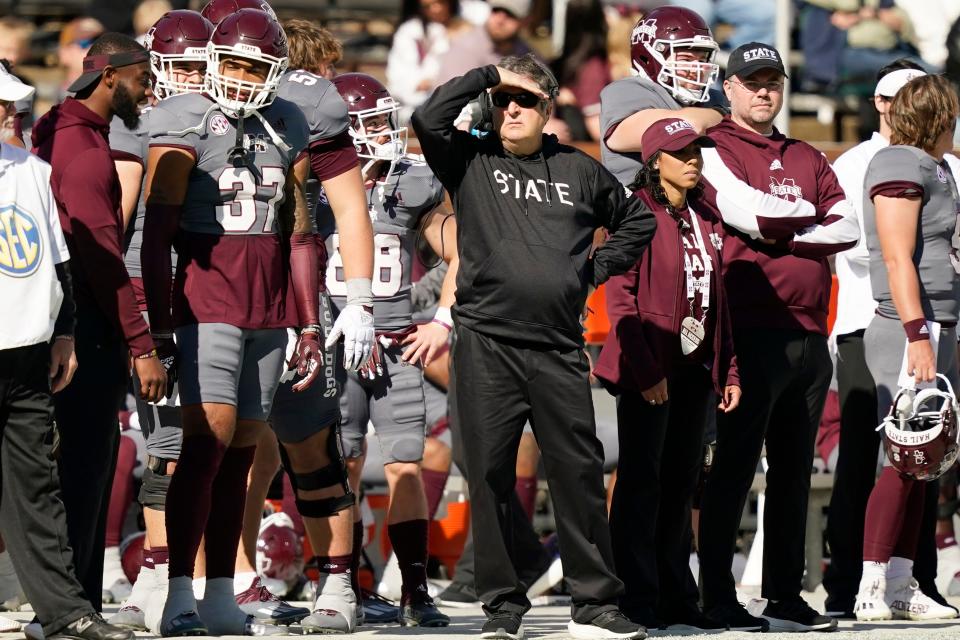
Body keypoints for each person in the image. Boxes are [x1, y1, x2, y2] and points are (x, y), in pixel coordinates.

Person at [412, 53, 656, 640]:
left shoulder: (580, 169)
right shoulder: (470, 158)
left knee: (576, 472)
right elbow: (426, 118)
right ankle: (502, 606)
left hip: (556, 346)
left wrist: (592, 269)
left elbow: (638, 223)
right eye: (504, 102)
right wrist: (492, 76)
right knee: (490, 474)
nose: (512, 109)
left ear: (548, 109)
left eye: (526, 101)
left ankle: (596, 605)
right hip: (486, 342)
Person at [141, 9, 325, 635]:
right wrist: (160, 326)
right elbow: (157, 233)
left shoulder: (289, 122)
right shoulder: (180, 118)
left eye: (256, 67)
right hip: (207, 300)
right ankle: (176, 593)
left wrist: (308, 322)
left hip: (268, 308)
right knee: (205, 445)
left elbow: (299, 231)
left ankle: (220, 590)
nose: (243, 78)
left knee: (243, 454)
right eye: (236, 63)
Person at [693, 42, 859, 632]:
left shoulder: (808, 154)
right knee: (734, 467)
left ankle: (785, 594)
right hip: (749, 328)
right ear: (729, 87)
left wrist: (786, 237)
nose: (764, 91)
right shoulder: (714, 146)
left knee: (795, 471)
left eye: (773, 82)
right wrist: (801, 226)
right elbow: (748, 215)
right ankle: (716, 595)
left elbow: (848, 224)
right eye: (752, 81)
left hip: (810, 333)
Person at [242, 13, 377, 633]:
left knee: (311, 443)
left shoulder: (310, 106)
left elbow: (347, 209)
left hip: (295, 283)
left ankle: (337, 581)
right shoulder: (190, 104)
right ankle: (230, 579)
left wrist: (358, 299)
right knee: (227, 446)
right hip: (226, 284)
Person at [310, 72, 457, 630]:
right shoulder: (313, 182)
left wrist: (438, 317)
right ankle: (339, 578)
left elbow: (460, 250)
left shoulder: (413, 182)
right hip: (334, 342)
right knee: (338, 462)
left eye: (381, 121)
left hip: (396, 343)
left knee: (405, 464)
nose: (381, 133)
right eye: (366, 124)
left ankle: (414, 588)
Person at [31, 32, 167, 613]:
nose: (150, 87)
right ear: (109, 76)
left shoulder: (58, 127)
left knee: (71, 464)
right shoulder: (86, 155)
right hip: (82, 327)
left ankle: (64, 601)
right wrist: (142, 346)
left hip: (59, 319)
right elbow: (104, 263)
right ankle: (73, 605)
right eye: (143, 77)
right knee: (84, 466)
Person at [0, 66, 136, 640]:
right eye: (2, 106)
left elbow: (58, 263)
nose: (12, 114)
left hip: (27, 355)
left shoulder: (31, 170)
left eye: (11, 106)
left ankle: (64, 612)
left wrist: (64, 335)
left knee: (37, 489)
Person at [594, 118, 739, 632]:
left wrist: (729, 368)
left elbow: (717, 298)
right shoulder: (637, 211)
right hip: (649, 366)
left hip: (696, 369)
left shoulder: (705, 212)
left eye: (696, 150)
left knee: (682, 484)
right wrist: (645, 369)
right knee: (641, 482)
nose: (693, 160)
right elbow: (620, 298)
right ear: (655, 161)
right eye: (681, 153)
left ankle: (679, 597)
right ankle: (635, 597)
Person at [100, 10, 214, 632]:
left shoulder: (226, 124)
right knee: (164, 437)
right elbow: (116, 218)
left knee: (199, 436)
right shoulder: (141, 122)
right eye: (184, 65)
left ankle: (174, 573)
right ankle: (156, 573)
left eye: (203, 65)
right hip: (152, 287)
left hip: (209, 287)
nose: (195, 78)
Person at [822, 59, 929, 619]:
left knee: (926, 456)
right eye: (896, 95)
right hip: (867, 322)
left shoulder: (944, 163)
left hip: (926, 327)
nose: (907, 104)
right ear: (881, 104)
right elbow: (862, 248)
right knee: (863, 460)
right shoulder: (854, 163)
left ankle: (915, 581)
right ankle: (846, 585)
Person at [851, 73, 960, 623]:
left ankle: (900, 581)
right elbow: (896, 258)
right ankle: (870, 583)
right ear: (938, 115)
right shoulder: (900, 163)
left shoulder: (932, 164)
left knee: (926, 459)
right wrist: (918, 333)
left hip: (939, 322)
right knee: (903, 456)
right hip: (907, 326)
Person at [386, 0, 475, 120]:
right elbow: (401, 77)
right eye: (428, 6)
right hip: (415, 105)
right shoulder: (410, 31)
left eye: (440, 3)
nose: (435, 9)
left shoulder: (466, 28)